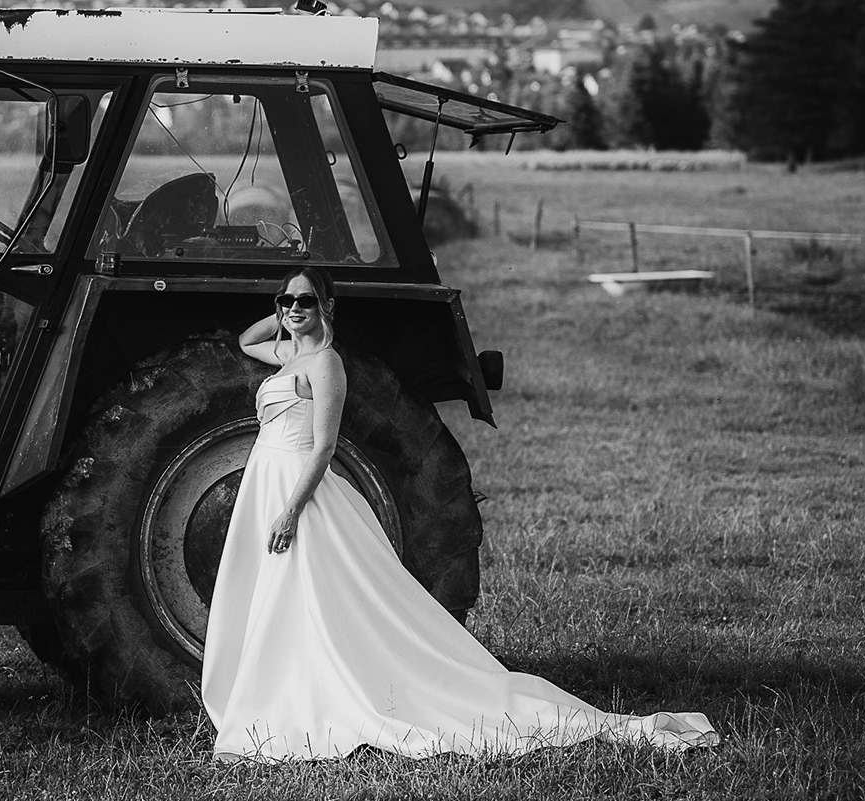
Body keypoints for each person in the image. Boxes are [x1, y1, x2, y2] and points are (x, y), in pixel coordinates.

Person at [200, 266, 718, 763]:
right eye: (286, 300)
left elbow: (324, 446)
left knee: (308, 587)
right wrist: (287, 311)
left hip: (296, 488)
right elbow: (246, 340)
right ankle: (288, 686)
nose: (294, 308)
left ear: (327, 306)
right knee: (286, 593)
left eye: (306, 301)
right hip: (267, 482)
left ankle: (327, 691)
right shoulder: (288, 354)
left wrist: (292, 510)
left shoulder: (324, 364)